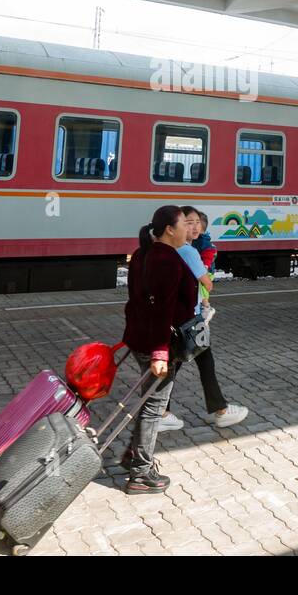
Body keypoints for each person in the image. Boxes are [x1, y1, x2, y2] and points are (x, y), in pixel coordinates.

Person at [119, 205, 197, 494]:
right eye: (184, 225)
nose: (189, 231)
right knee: (154, 407)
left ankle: (132, 456)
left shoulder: (142, 254)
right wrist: (161, 351)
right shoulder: (166, 259)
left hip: (141, 337)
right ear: (169, 230)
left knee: (149, 402)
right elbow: (162, 308)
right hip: (158, 342)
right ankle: (140, 474)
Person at [157, 207, 248, 431]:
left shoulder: (164, 250)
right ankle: (220, 411)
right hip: (189, 317)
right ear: (175, 227)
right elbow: (207, 282)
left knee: (179, 364)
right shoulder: (188, 251)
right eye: (188, 222)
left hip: (179, 316)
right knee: (200, 362)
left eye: (198, 221)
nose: (195, 226)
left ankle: (164, 412)